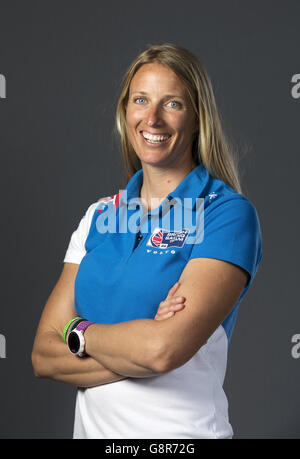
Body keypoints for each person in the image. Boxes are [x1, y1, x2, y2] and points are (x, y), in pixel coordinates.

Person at [31, 43, 262, 439]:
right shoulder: (98, 217)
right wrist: (141, 345)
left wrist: (78, 331)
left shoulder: (226, 214)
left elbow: (161, 351)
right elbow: (43, 357)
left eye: (172, 104)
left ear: (196, 118)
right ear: (126, 112)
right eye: (141, 100)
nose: (152, 118)